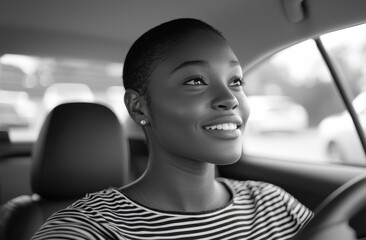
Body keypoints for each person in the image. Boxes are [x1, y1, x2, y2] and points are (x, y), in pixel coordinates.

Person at [33, 18, 312, 240]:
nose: (230, 98)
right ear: (139, 108)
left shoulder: (274, 204)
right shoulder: (90, 228)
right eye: (195, 82)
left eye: (236, 80)